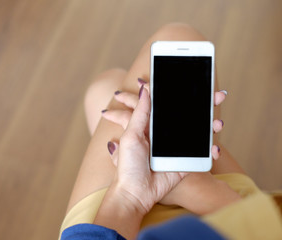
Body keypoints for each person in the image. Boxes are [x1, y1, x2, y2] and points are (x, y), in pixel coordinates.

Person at [59, 23, 282, 239]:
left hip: (113, 219)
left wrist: (130, 196)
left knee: (105, 87)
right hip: (232, 215)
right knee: (116, 86)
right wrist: (204, 193)